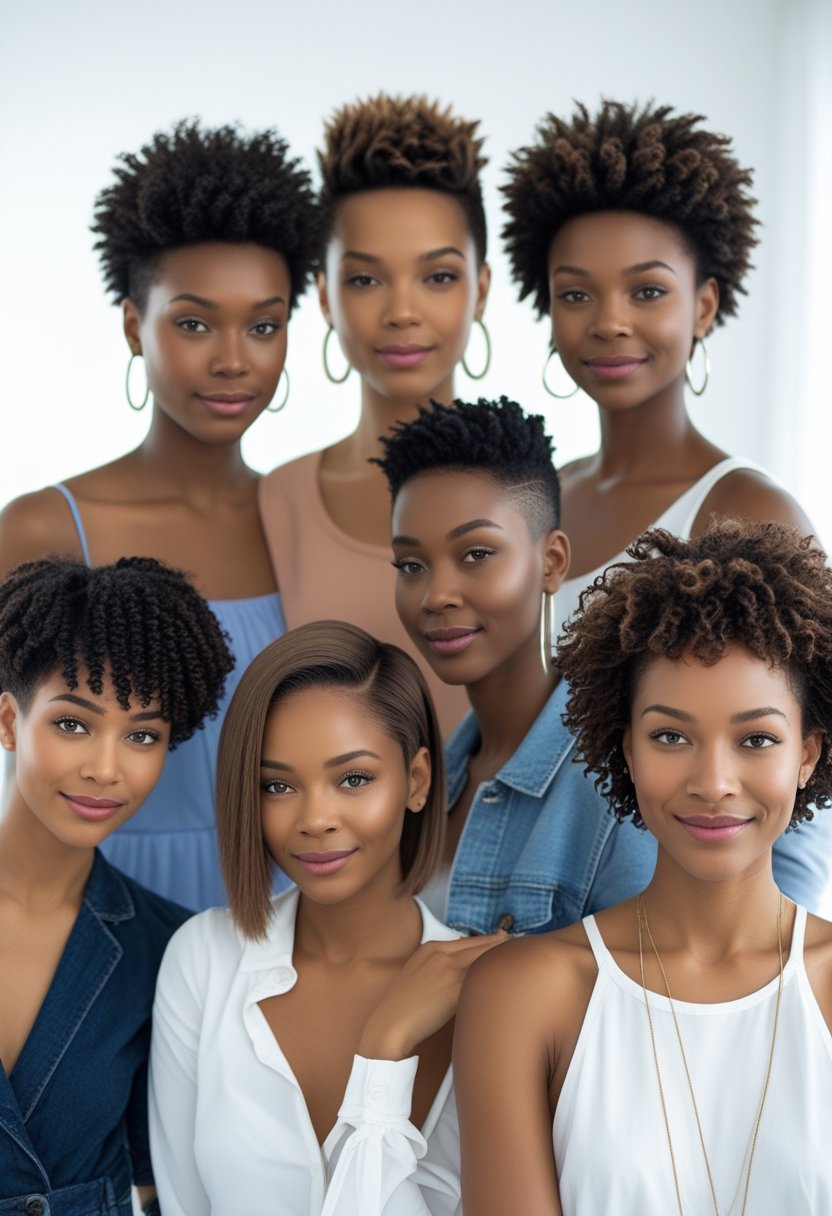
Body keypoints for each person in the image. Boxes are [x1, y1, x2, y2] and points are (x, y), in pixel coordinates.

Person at [454, 520, 832, 1214]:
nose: (713, 781)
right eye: (670, 736)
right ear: (624, 749)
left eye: (756, 739)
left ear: (806, 754)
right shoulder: (522, 995)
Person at [0, 121, 319, 910]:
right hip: (84, 922)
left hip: (277, 923)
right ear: (133, 325)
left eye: (264, 325)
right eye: (194, 322)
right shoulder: (47, 529)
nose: (234, 359)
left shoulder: (307, 523)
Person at [375, 398, 832, 933]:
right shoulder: (437, 773)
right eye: (411, 564)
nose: (437, 594)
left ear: (553, 562)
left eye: (477, 554)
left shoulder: (626, 779)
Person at [149, 620, 504, 1215]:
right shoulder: (202, 959)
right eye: (277, 786)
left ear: (417, 781)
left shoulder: (491, 990)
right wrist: (384, 1041)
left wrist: (384, 1052)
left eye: (353, 779)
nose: (315, 818)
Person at [502, 99, 814, 638]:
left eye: (647, 291)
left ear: (704, 306)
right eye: (576, 293)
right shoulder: (536, 498)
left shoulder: (752, 513)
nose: (610, 323)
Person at [0, 555, 232, 1214]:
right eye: (73, 723)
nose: (106, 768)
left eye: (141, 734)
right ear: (10, 721)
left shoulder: (169, 951)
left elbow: (163, 1189)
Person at [259, 95, 492, 736]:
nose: (402, 312)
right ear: (325, 296)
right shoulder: (278, 502)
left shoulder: (540, 496)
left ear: (483, 288)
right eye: (366, 280)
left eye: (438, 277)